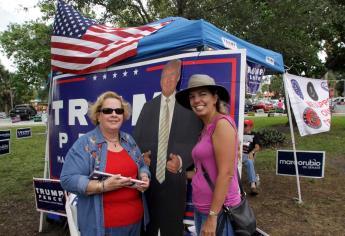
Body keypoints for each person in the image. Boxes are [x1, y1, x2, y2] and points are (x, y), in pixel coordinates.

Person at [60, 91, 150, 236]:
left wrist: (144, 176)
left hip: (135, 223)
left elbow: (142, 165)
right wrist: (103, 186)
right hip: (102, 228)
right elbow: (67, 179)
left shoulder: (128, 140)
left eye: (119, 111)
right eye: (108, 111)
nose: (114, 114)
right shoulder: (85, 144)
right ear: (98, 115)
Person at [133, 59, 202, 236]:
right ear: (160, 78)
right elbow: (136, 140)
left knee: (172, 228)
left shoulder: (189, 107)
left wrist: (181, 161)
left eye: (172, 76)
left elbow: (197, 141)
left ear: (178, 78)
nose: (168, 79)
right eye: (165, 76)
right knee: (148, 226)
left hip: (175, 181)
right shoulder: (148, 107)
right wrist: (141, 157)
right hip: (148, 180)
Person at [175, 74, 241, 236]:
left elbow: (226, 174)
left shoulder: (222, 124)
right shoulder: (206, 129)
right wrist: (180, 172)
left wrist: (212, 217)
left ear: (214, 98)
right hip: (203, 209)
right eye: (192, 96)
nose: (196, 100)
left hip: (218, 213)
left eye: (202, 94)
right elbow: (204, 172)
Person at [242, 119, 261, 195]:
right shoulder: (239, 133)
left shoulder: (254, 135)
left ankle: (253, 186)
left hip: (247, 155)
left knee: (250, 162)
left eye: (245, 125)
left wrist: (251, 152)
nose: (243, 127)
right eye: (243, 125)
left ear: (250, 127)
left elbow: (257, 147)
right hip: (238, 154)